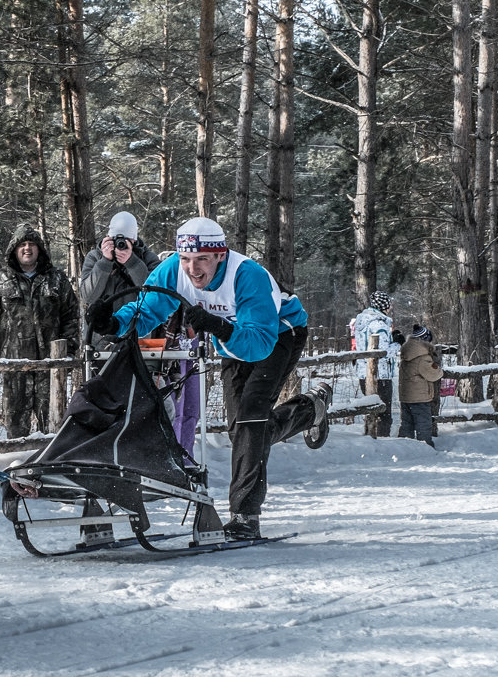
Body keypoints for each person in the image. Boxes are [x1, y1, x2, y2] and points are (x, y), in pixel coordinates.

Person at [88, 217, 331, 540]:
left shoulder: (248, 276)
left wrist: (217, 326)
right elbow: (148, 310)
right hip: (232, 341)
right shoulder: (173, 269)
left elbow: (258, 344)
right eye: (187, 259)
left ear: (220, 255)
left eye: (202, 259)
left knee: (249, 420)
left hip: (277, 334)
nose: (193, 269)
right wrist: (112, 324)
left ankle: (245, 515)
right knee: (242, 429)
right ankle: (309, 410)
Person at [0, 224, 79, 439]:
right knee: (16, 427)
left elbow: (71, 317)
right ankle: (17, 466)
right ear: (14, 249)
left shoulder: (56, 278)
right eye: (22, 244)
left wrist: (69, 352)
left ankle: (49, 466)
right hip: (14, 365)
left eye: (32, 244)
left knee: (52, 424)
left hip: (51, 365)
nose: (27, 248)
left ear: (40, 249)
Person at [79, 210, 161, 350]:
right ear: (108, 237)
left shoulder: (148, 259)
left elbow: (156, 295)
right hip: (99, 339)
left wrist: (133, 263)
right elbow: (88, 295)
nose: (120, 244)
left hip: (136, 339)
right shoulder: (94, 257)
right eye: (115, 240)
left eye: (125, 241)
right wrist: (105, 262)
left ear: (134, 240)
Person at [353, 291, 398, 437]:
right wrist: (398, 343)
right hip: (381, 374)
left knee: (371, 409)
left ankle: (370, 437)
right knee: (384, 412)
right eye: (388, 304)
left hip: (363, 372)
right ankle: (382, 443)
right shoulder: (379, 324)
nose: (390, 307)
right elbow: (383, 353)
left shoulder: (361, 322)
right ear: (384, 305)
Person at [398, 324, 442, 447]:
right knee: (423, 424)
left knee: (407, 423)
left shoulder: (407, 353)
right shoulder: (422, 358)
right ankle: (425, 446)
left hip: (406, 396)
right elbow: (434, 375)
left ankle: (404, 447)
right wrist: (438, 367)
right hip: (420, 397)